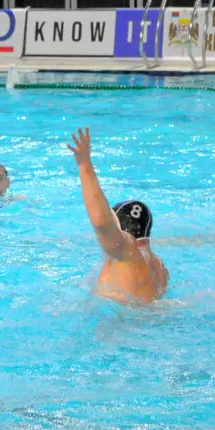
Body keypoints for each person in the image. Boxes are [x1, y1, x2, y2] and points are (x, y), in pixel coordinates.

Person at [67, 127, 169, 304]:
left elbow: (101, 222)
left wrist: (84, 165)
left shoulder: (125, 249)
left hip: (117, 320)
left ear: (119, 228)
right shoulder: (160, 269)